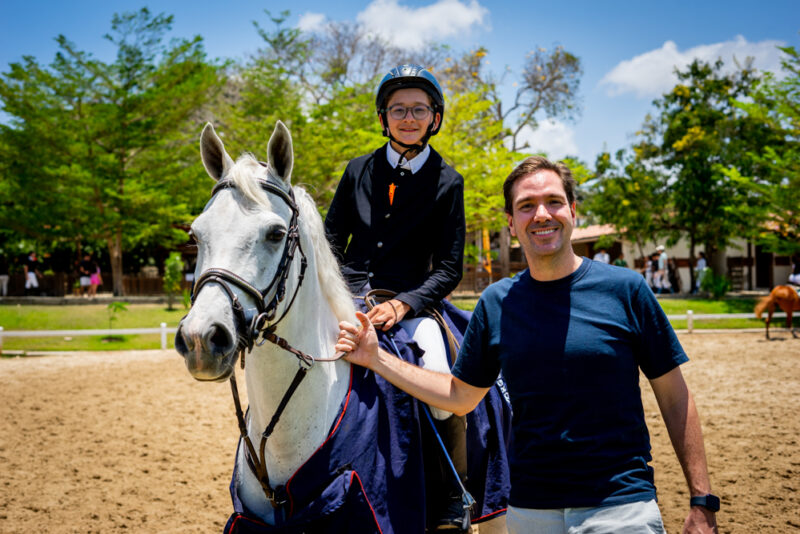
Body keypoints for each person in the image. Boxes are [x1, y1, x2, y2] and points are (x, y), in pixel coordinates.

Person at [337, 156, 719, 534]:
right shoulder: (496, 303)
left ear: (573, 210)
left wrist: (702, 500)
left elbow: (674, 397)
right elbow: (459, 396)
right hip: (529, 512)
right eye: (526, 206)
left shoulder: (626, 290)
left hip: (619, 508)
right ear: (511, 223)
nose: (541, 215)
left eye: (553, 201)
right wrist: (376, 358)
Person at [324, 64, 470, 530]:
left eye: (419, 109)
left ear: (435, 117)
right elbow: (329, 240)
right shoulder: (356, 170)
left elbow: (449, 267)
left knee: (440, 379)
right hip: (344, 295)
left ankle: (451, 492)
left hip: (409, 303)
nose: (409, 117)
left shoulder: (448, 182)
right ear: (384, 117)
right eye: (398, 109)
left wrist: (404, 303)